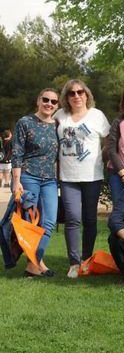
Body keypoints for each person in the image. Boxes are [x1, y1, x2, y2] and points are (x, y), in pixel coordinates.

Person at [55, 79, 110, 279]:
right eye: (71, 93)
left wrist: (100, 158)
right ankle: (73, 263)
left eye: (80, 92)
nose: (76, 96)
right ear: (66, 97)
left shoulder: (97, 116)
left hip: (92, 176)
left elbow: (108, 141)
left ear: (87, 95)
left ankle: (86, 261)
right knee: (72, 218)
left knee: (89, 219)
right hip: (68, 176)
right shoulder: (59, 116)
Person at [10, 88, 60, 277]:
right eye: (45, 99)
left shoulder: (57, 125)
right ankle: (36, 264)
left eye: (54, 102)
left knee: (48, 221)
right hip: (28, 177)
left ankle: (34, 262)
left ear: (57, 106)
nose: (49, 104)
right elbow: (17, 152)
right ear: (38, 101)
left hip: (49, 180)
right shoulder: (25, 122)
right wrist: (16, 181)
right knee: (31, 222)